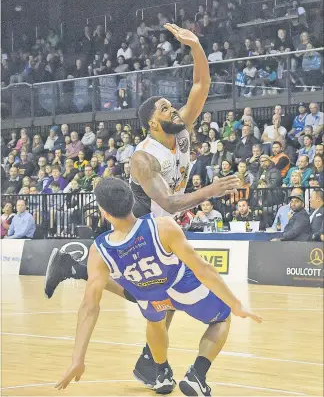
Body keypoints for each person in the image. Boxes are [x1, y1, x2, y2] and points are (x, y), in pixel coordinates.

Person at [44, 24, 239, 389]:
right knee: (158, 298)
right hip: (142, 228)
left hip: (163, 226)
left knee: (152, 298)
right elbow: (168, 201)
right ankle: (155, 364)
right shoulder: (143, 158)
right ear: (153, 120)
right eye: (166, 107)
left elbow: (200, 87)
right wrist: (211, 189)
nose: (174, 108)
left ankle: (150, 362)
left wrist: (196, 45)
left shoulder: (179, 131)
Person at [55, 178, 262, 394]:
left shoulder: (100, 250)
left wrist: (77, 359)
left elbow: (89, 307)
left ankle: (161, 373)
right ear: (132, 200)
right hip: (183, 288)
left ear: (103, 212)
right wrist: (235, 303)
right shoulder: (161, 226)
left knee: (155, 323)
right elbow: (204, 269)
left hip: (150, 299)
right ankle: (196, 376)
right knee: (222, 318)